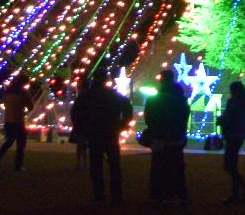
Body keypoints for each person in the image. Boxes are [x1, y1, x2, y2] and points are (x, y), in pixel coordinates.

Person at [74, 72, 133, 203]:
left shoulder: (87, 96)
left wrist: (82, 129)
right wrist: (122, 125)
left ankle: (99, 195)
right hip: (110, 132)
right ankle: (116, 195)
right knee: (114, 165)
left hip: (95, 133)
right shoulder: (113, 95)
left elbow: (76, 113)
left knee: (96, 166)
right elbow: (128, 108)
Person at [144, 70, 191, 205]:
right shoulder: (181, 99)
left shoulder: (155, 99)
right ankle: (178, 194)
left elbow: (149, 117)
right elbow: (184, 116)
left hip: (160, 136)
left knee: (159, 165)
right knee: (176, 166)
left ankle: (160, 194)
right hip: (176, 136)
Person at [218, 80, 245, 204]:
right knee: (232, 165)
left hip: (232, 135)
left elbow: (229, 117)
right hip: (239, 135)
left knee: (229, 166)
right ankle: (235, 194)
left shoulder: (233, 102)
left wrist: (221, 120)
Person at [0, 77, 35, 172]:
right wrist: (24, 111)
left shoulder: (7, 92)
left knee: (9, 142)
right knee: (21, 144)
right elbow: (30, 106)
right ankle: (18, 165)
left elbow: (3, 103)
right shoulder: (23, 93)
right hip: (18, 121)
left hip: (8, 121)